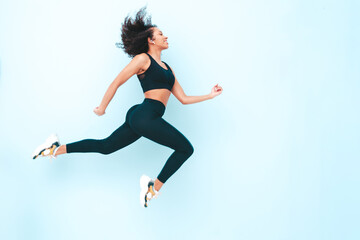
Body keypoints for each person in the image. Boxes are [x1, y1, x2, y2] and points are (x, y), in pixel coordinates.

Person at [32, 7, 223, 208]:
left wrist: (209, 95)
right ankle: (153, 188)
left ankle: (55, 149)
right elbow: (117, 82)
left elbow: (183, 98)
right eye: (160, 34)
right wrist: (102, 107)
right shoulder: (143, 59)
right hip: (145, 115)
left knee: (106, 147)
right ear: (151, 40)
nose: (165, 36)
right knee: (185, 149)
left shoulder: (169, 68)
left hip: (143, 115)